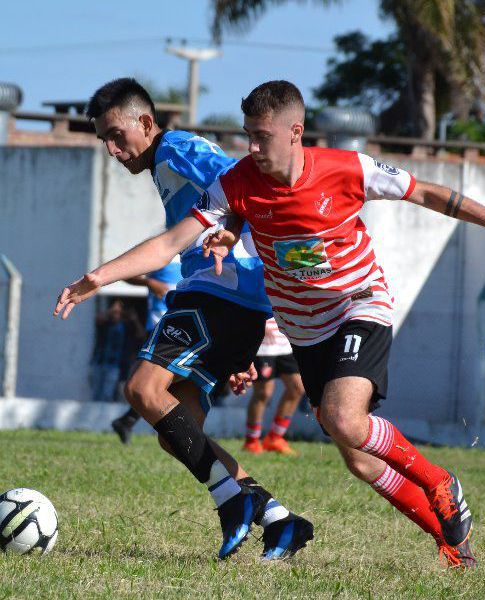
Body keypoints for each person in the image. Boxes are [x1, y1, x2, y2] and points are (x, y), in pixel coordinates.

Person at [56, 79, 485, 568]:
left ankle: (440, 483)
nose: (252, 149)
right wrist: (216, 233)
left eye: (262, 137)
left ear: (294, 132)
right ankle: (448, 542)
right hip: (303, 325)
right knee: (351, 454)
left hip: (348, 303)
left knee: (334, 418)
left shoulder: (335, 167)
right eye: (249, 138)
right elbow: (189, 228)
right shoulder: (237, 182)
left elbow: (428, 193)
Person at [56, 78, 313, 561]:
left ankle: (230, 503)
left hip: (219, 293)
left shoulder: (176, 149)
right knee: (179, 432)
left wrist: (100, 277)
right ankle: (278, 518)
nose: (113, 150)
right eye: (103, 141)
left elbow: (246, 182)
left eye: (117, 135)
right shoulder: (163, 165)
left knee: (143, 391)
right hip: (229, 303)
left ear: (146, 123)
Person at [111, 258, 182, 443]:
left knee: (169, 382)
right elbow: (127, 271)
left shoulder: (199, 251)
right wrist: (149, 282)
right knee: (156, 381)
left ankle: (127, 421)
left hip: (185, 327)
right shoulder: (165, 252)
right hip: (161, 325)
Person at [243, 318, 304, 456]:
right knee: (263, 393)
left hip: (285, 344)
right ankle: (251, 441)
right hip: (263, 347)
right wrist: (258, 325)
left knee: (297, 388)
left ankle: (275, 438)